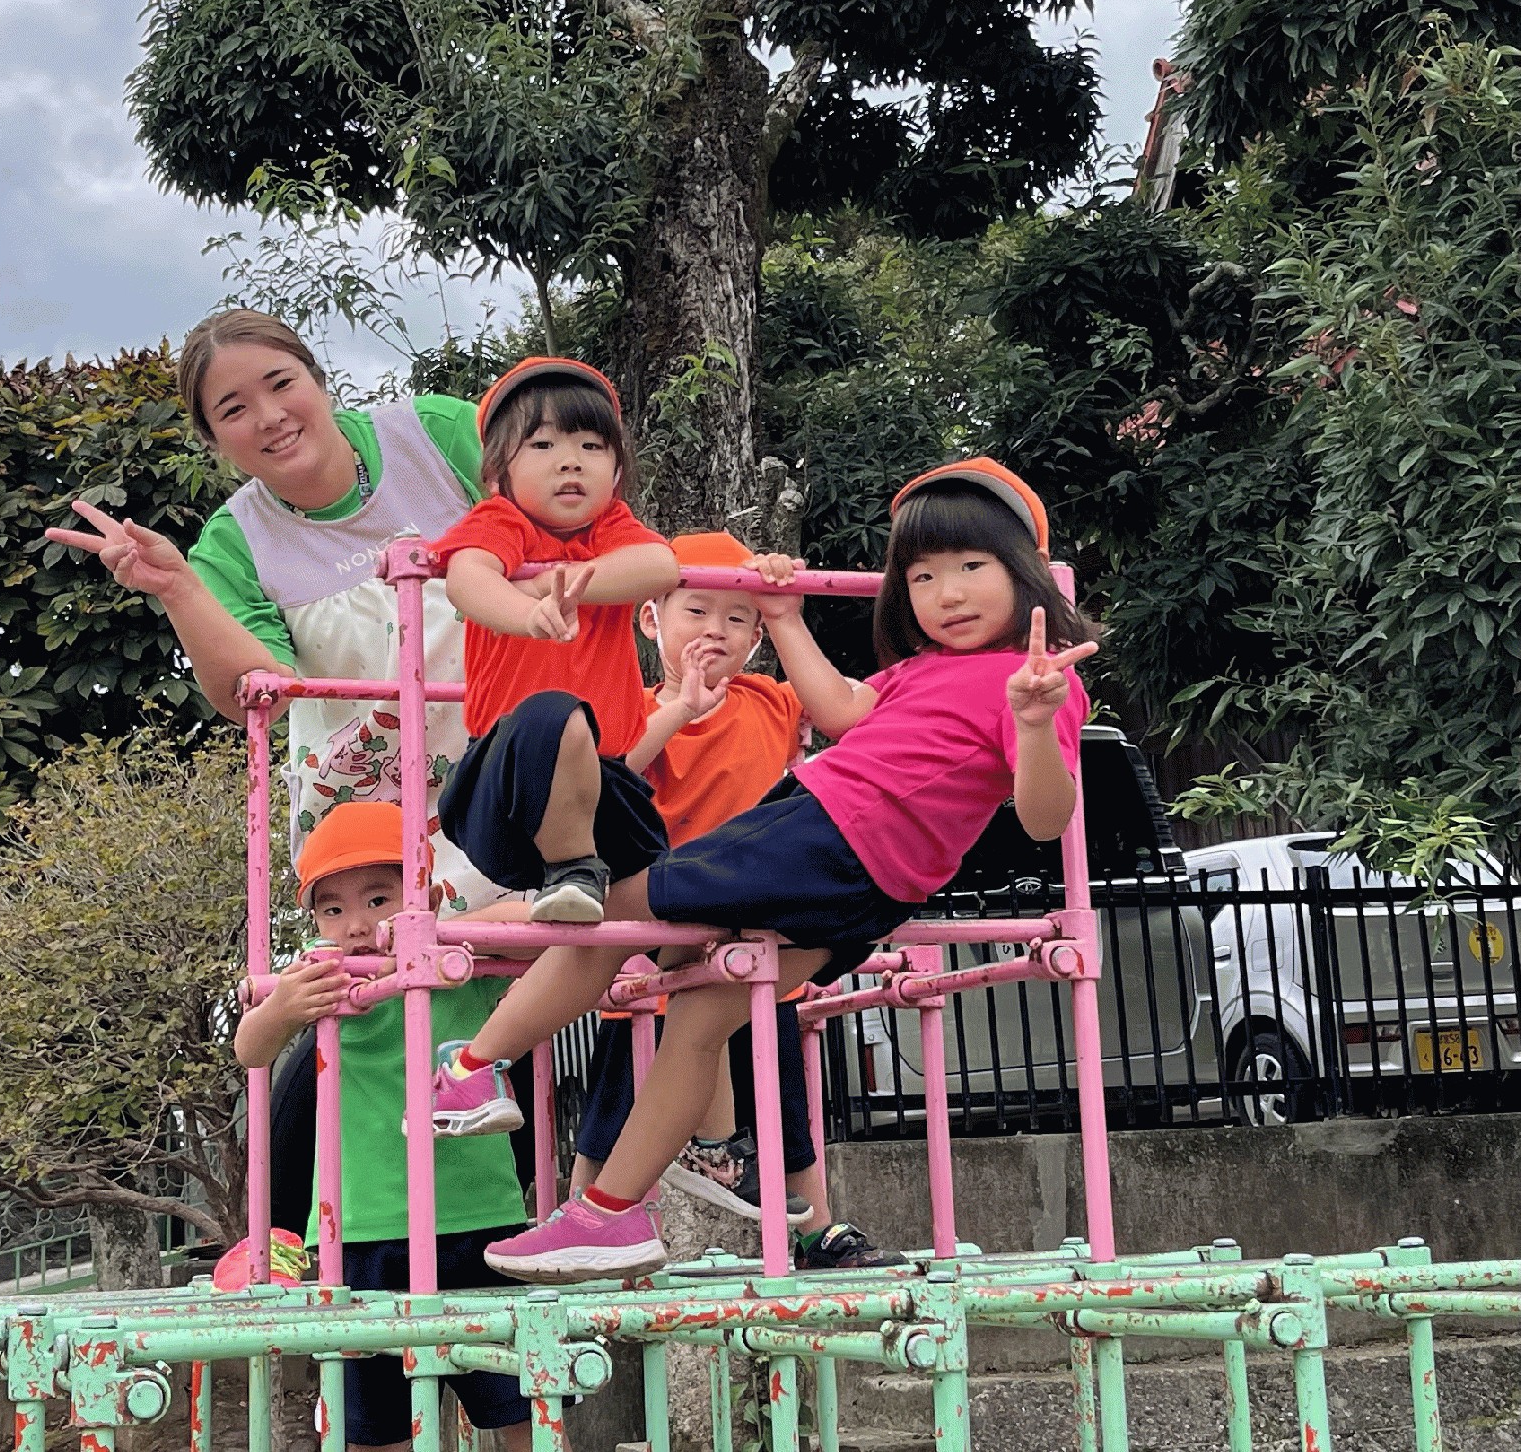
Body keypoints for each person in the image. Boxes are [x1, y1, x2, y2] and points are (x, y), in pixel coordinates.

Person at [439, 457, 1101, 1282]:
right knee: (702, 1015)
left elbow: (1045, 819)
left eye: (973, 567)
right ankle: (609, 1214)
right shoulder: (917, 671)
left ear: (1026, 573)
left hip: (827, 838)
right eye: (923, 576)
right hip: (858, 875)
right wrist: (784, 617)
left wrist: (1033, 725)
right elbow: (841, 712)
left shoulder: (1035, 683)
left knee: (614, 907)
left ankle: (469, 1069)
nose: (949, 594)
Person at [43, 307, 497, 909]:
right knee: (412, 965)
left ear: (318, 378)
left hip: (517, 762)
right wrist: (178, 589)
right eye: (234, 410)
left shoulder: (437, 434)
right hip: (373, 826)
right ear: (213, 440)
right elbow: (261, 697)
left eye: (282, 383)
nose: (270, 417)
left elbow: (564, 535)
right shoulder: (233, 544)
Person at [570, 530, 897, 1270]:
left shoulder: (774, 702)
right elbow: (610, 782)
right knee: (617, 1097)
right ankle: (576, 1216)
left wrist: (787, 609)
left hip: (754, 931)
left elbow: (847, 707)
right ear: (651, 619)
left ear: (756, 637)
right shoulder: (633, 709)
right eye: (696, 610)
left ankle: (815, 1228)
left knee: (780, 1099)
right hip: (662, 929)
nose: (715, 629)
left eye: (737, 616)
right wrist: (677, 711)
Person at [413, 357, 679, 1137]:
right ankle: (570, 869)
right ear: (499, 469)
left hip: (603, 793)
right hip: (504, 785)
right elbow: (469, 580)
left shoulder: (610, 532)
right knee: (557, 714)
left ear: (617, 470)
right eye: (545, 445)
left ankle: (471, 1066)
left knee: (622, 931)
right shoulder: (501, 522)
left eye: (592, 447)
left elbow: (659, 565)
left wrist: (566, 581)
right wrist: (524, 610)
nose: (571, 462)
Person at [233, 801, 534, 1452]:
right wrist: (284, 1008)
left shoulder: (455, 962)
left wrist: (438, 935)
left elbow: (534, 923)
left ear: (424, 895)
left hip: (479, 1216)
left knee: (524, 1410)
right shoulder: (322, 981)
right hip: (360, 1232)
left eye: (379, 899)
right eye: (332, 909)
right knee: (373, 1428)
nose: (357, 925)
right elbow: (250, 1049)